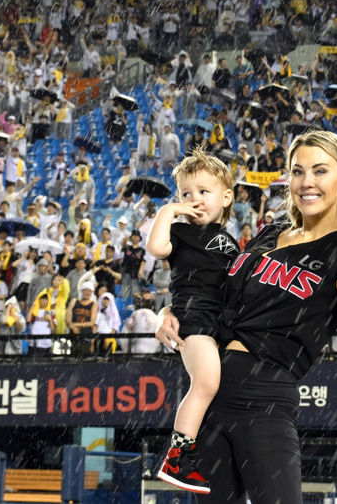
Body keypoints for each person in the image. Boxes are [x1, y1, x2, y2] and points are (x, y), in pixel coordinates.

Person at [155, 130, 337, 503]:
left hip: (264, 395)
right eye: (298, 172)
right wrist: (172, 310)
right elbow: (212, 289)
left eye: (320, 171)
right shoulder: (269, 235)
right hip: (211, 386)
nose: (307, 182)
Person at [148, 149, 238, 495]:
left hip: (217, 324)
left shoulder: (231, 243)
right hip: (193, 317)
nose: (194, 200)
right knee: (205, 382)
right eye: (186, 193)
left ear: (226, 196)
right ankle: (178, 455)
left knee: (212, 385)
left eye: (203, 191)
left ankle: (193, 451)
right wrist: (169, 211)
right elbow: (156, 248)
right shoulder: (182, 232)